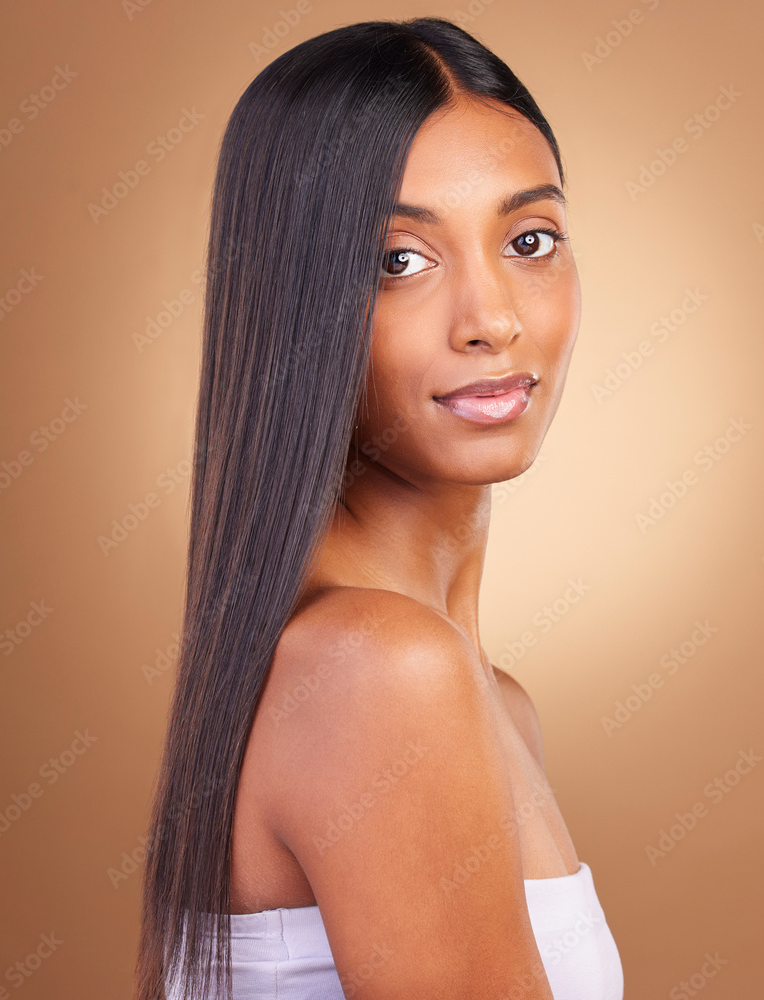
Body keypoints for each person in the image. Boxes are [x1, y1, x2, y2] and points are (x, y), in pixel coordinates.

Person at [136, 16, 624, 1000]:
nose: (491, 318)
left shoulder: (487, 701)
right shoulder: (382, 671)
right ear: (293, 302)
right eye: (397, 261)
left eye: (529, 239)